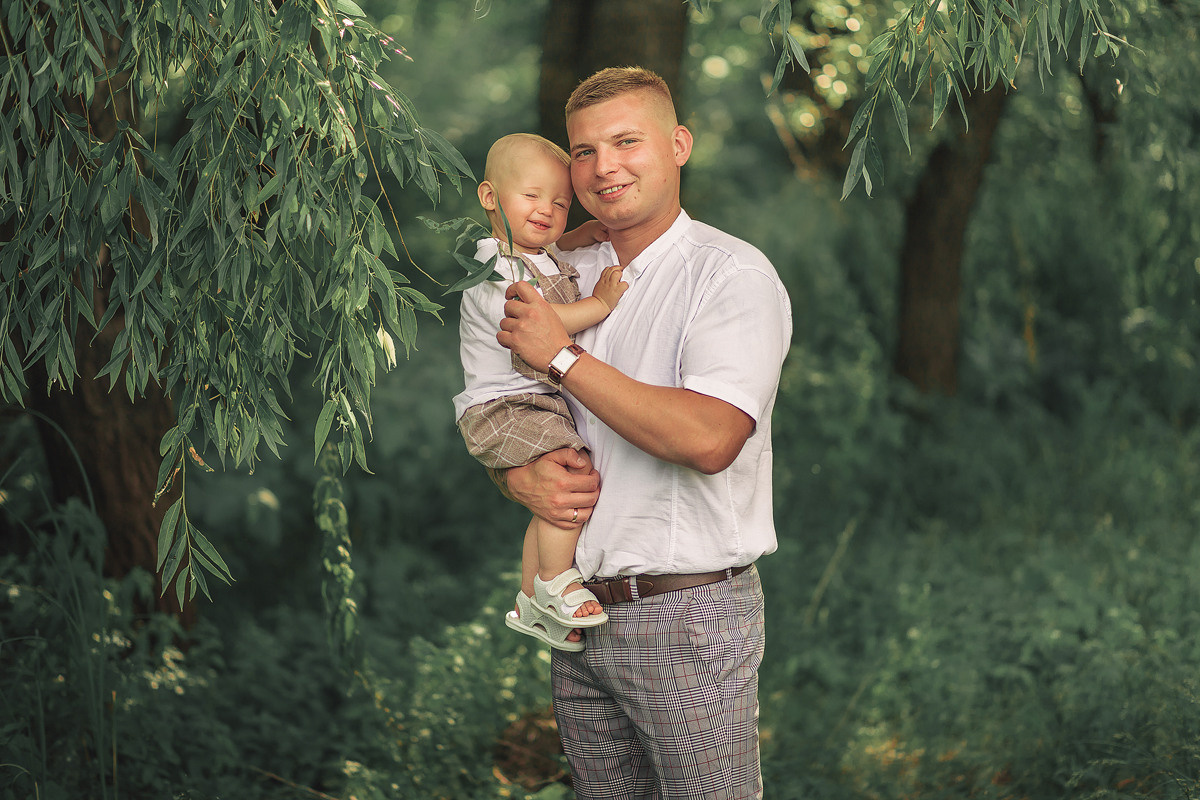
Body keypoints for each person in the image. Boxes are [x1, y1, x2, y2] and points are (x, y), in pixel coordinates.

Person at [494, 68, 792, 799]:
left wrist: (562, 356)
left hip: (686, 616)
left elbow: (710, 439)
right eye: (585, 151)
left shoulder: (729, 276)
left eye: (628, 141)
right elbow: (511, 401)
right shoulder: (563, 272)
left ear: (679, 144)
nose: (605, 166)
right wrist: (515, 475)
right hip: (578, 618)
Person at [453, 133, 629, 651]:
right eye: (531, 196)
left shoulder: (536, 252)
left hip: (531, 400)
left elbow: (555, 248)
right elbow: (540, 322)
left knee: (552, 494)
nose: (546, 211)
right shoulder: (493, 267)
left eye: (559, 203)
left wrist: (578, 235)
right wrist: (599, 304)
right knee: (571, 475)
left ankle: (531, 598)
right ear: (490, 198)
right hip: (502, 404)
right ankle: (556, 580)